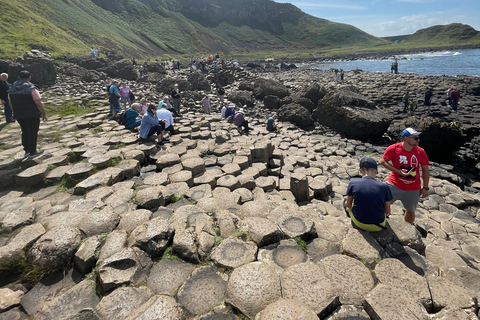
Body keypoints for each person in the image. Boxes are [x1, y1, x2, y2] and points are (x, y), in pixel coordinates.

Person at [380, 128, 430, 224]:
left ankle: (408, 228)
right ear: (406, 138)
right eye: (416, 138)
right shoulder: (393, 148)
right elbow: (383, 161)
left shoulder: (421, 151)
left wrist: (425, 187)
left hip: (413, 188)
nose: (418, 140)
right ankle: (380, 222)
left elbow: (425, 169)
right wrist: (398, 171)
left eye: (418, 138)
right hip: (394, 185)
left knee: (411, 210)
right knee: (382, 205)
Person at [344, 157, 392, 232]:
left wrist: (346, 204)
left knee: (346, 202)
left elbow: (349, 205)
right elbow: (388, 211)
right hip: (379, 226)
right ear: (376, 171)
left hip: (359, 223)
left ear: (360, 170)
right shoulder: (384, 186)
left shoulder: (353, 183)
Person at [8, 70, 48, 158]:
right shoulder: (31, 88)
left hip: (19, 114)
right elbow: (38, 102)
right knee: (32, 132)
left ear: (18, 77)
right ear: (29, 78)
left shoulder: (11, 88)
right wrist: (43, 113)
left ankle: (27, 151)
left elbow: (10, 102)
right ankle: (33, 152)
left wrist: (15, 111)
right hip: (31, 114)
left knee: (24, 131)